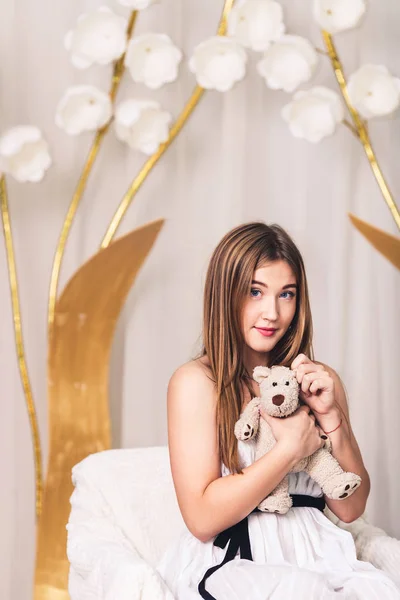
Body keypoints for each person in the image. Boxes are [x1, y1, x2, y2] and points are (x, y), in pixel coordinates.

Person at [156, 222, 400, 599]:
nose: (272, 312)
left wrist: (333, 419)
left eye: (286, 294)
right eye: (255, 292)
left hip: (320, 552)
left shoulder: (315, 379)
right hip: (238, 558)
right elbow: (202, 519)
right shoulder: (196, 383)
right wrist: (289, 450)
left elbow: (351, 507)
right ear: (225, 294)